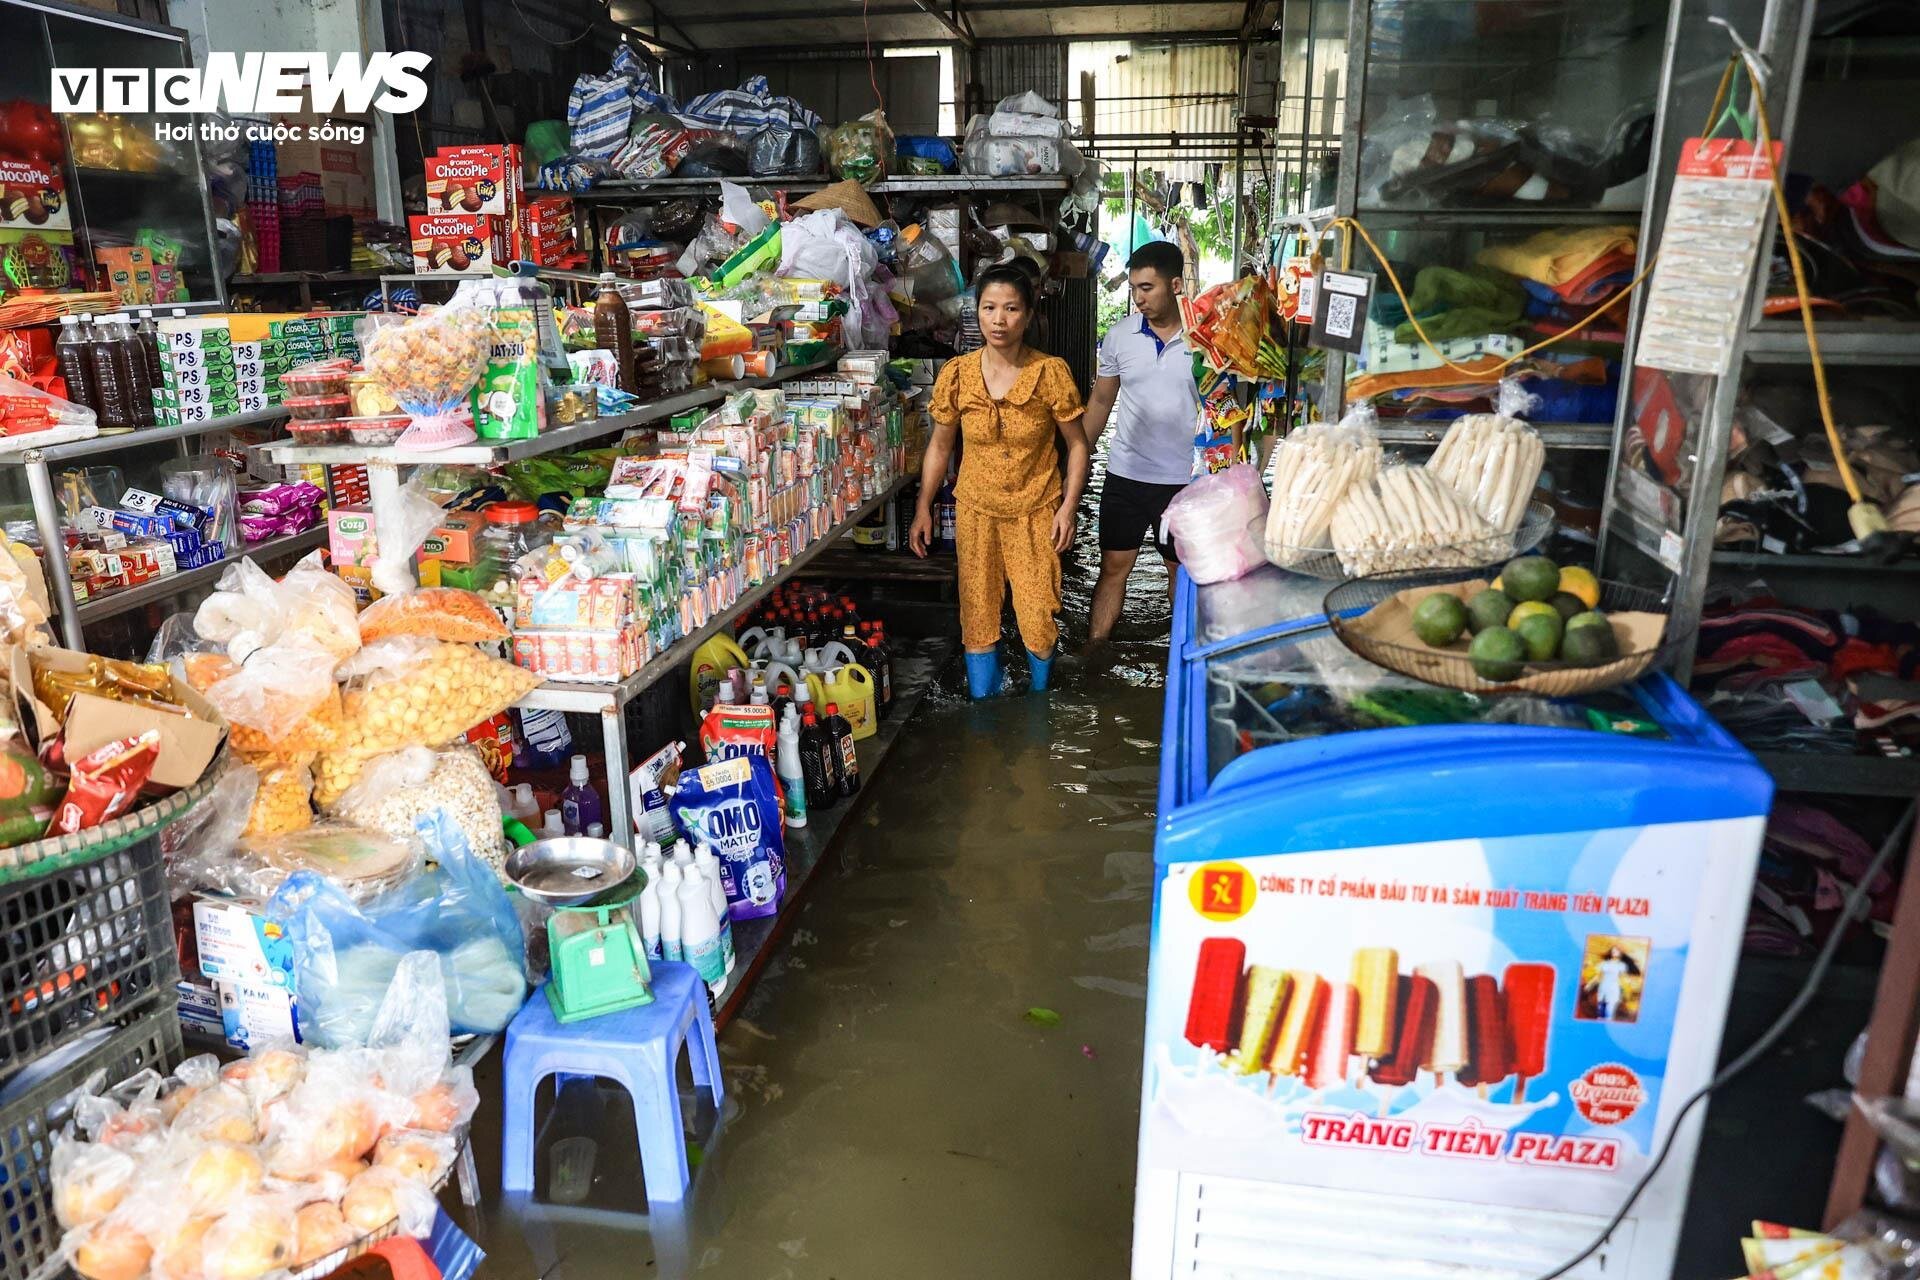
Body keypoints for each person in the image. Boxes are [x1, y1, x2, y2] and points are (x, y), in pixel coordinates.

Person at [909, 265, 1090, 698]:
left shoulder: (1051, 373)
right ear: (977, 313)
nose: (999, 319)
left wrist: (1068, 508)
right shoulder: (958, 373)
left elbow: (1079, 446)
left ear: (1028, 315)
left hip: (1036, 511)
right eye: (989, 308)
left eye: (1011, 309)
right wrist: (923, 507)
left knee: (1038, 616)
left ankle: (1040, 707)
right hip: (976, 511)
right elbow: (939, 447)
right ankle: (984, 713)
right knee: (978, 613)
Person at [1081, 241, 1200, 650]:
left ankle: (1182, 656)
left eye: (1148, 287)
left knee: (1179, 571)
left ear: (1176, 284)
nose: (1139, 297)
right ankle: (1094, 654)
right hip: (1125, 476)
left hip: (1182, 481)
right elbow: (1100, 400)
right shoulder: (1119, 337)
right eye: (1134, 288)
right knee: (1113, 567)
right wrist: (1076, 460)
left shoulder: (1205, 338)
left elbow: (1227, 410)